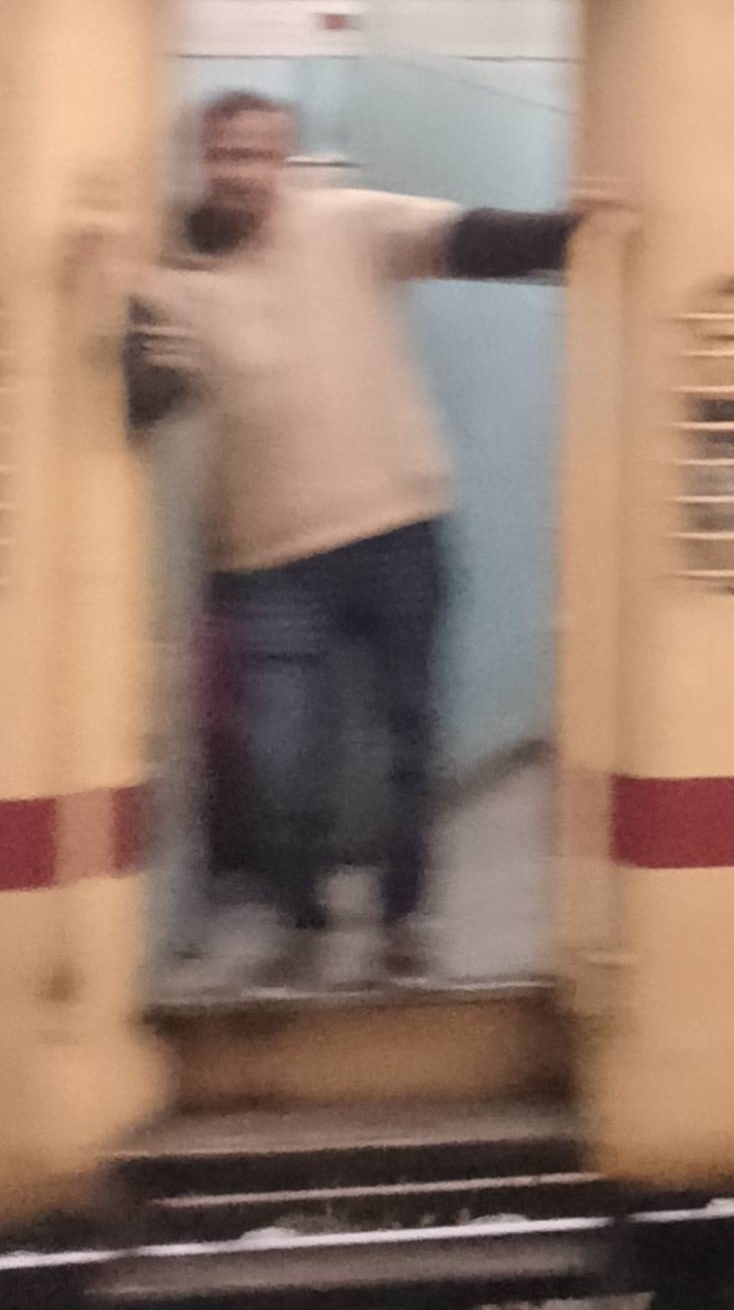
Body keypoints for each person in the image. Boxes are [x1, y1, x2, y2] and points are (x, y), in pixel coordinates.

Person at [115, 90, 606, 988]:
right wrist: (110, 311)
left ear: (286, 161)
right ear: (200, 162)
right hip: (264, 557)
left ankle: (402, 925)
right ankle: (301, 924)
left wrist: (597, 226)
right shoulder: (175, 281)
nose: (241, 172)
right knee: (279, 760)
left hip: (396, 529)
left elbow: (472, 240)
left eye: (258, 154)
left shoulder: (348, 225)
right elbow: (150, 400)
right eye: (225, 154)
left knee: (406, 740)